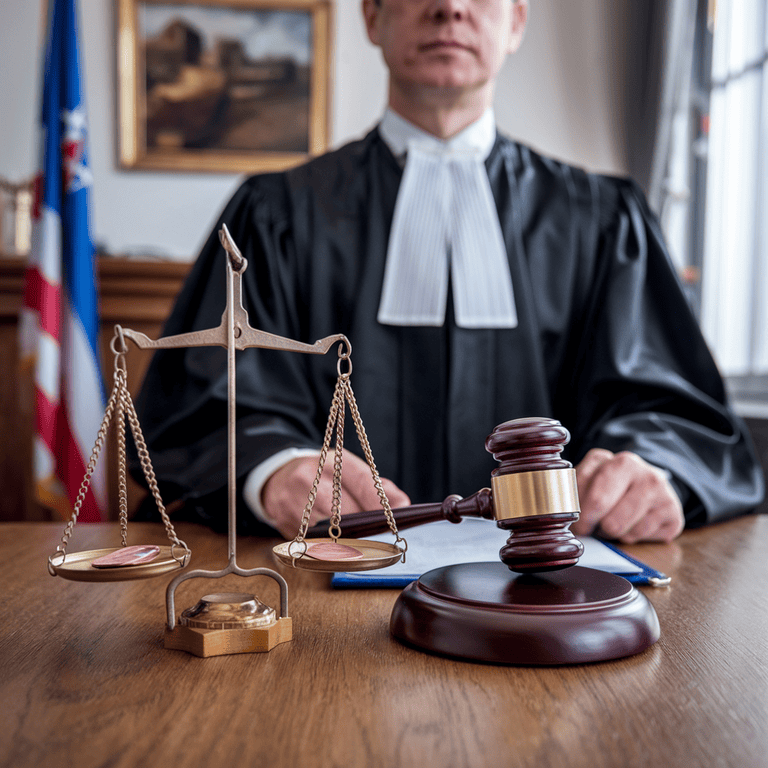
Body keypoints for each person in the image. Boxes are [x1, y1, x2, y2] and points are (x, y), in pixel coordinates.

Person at [132, 0, 764, 544]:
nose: (450, 6)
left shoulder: (602, 219)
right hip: (321, 600)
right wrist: (276, 468)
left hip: (548, 606)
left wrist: (651, 473)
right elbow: (209, 398)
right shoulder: (273, 214)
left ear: (516, 23)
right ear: (373, 16)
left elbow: (674, 412)